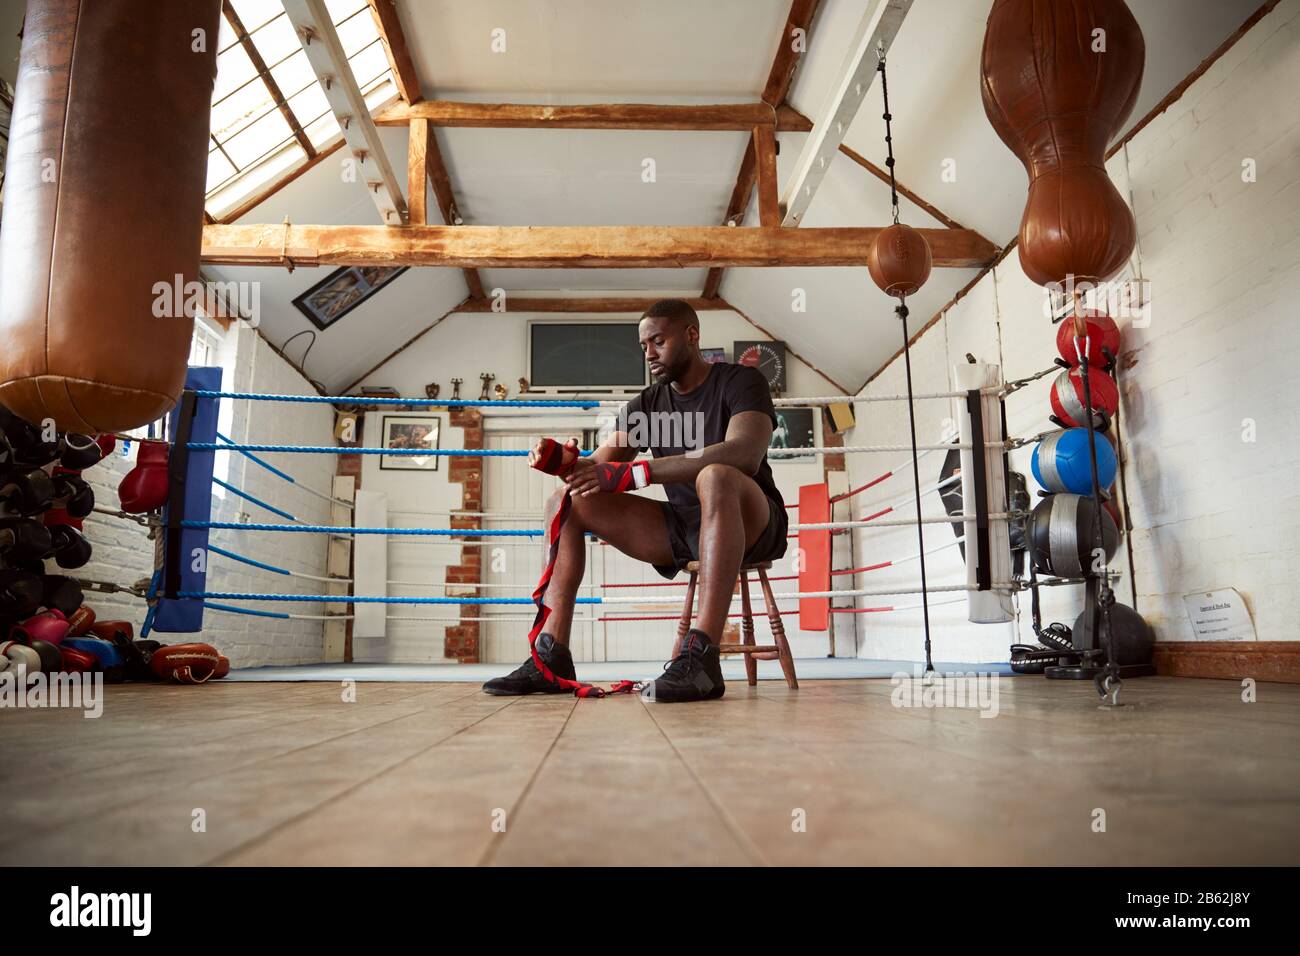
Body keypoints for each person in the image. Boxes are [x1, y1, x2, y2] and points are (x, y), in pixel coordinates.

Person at [483, 299, 788, 702]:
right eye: (643, 345)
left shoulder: (740, 382)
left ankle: (702, 659)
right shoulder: (646, 406)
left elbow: (744, 453)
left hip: (751, 521)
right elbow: (598, 468)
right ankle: (550, 658)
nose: (649, 353)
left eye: (658, 341)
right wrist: (563, 460)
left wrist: (640, 472)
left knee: (715, 477)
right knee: (566, 500)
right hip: (684, 527)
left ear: (691, 335)